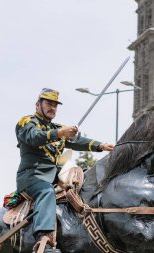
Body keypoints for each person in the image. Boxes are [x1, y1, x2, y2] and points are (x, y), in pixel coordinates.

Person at [16, 88, 113, 250]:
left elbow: (78, 141)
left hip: (56, 175)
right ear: (37, 105)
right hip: (33, 177)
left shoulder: (57, 128)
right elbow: (34, 137)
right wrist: (60, 133)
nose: (52, 107)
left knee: (82, 184)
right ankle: (43, 238)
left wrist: (101, 145)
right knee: (46, 192)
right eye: (48, 103)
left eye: (55, 105)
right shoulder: (26, 123)